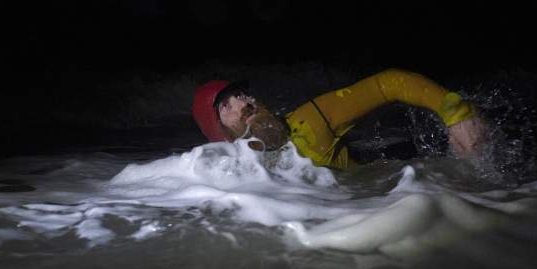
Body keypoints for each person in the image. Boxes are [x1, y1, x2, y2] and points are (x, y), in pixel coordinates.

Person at [191, 68, 486, 169]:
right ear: (219, 132)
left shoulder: (310, 119)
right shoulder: (228, 179)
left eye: (241, 94)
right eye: (226, 106)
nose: (243, 102)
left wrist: (456, 113)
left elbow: (389, 83)